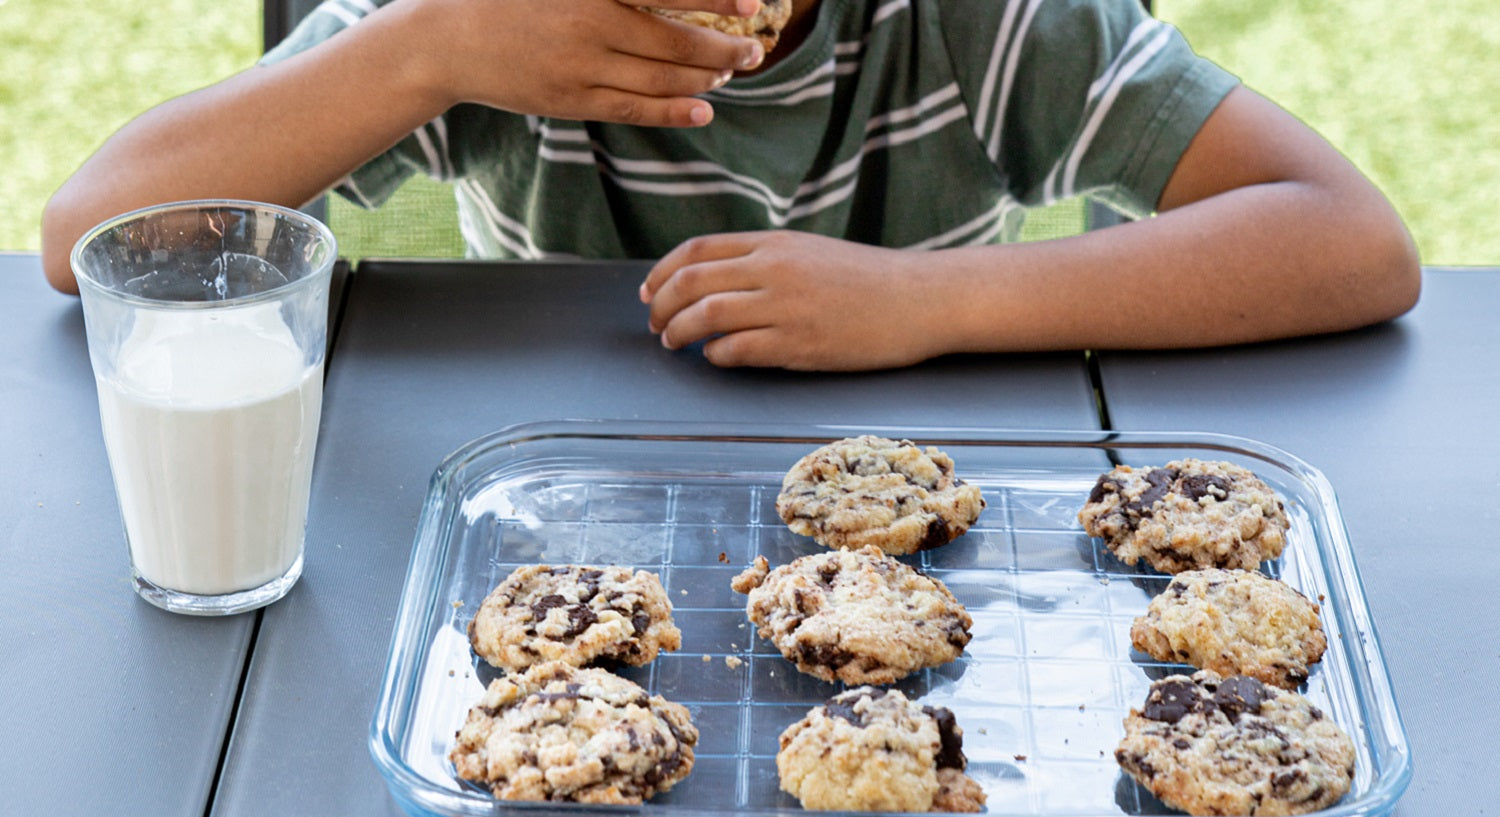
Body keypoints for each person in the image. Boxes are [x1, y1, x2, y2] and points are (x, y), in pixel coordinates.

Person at [42, 0, 1420, 371]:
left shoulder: (983, 22)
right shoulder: (487, 33)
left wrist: (927, 301)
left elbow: (1352, 241)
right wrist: (432, 46)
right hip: (568, 508)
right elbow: (88, 235)